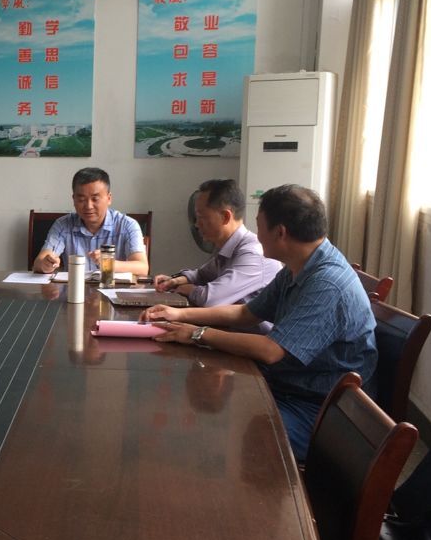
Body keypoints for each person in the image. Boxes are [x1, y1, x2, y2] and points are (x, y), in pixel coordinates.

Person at [140, 184, 376, 461]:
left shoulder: (327, 283)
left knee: (221, 429)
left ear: (280, 232)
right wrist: (179, 315)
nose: (256, 234)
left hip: (321, 408)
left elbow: (271, 350)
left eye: (259, 225)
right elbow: (247, 313)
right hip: (289, 384)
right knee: (202, 410)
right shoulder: (299, 265)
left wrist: (197, 334)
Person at [154, 178, 281, 314]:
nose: (196, 224)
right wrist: (175, 281)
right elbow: (201, 274)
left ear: (225, 217)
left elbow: (210, 299)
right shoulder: (226, 246)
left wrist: (188, 289)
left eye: (201, 217)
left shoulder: (252, 254)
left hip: (248, 328)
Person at [32, 167, 149, 276]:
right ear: (73, 199)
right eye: (81, 199)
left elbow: (142, 267)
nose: (88, 206)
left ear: (109, 198)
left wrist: (109, 263)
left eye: (95, 199)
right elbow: (38, 263)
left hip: (113, 289)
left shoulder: (127, 225)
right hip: (73, 289)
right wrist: (46, 265)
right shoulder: (62, 225)